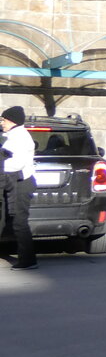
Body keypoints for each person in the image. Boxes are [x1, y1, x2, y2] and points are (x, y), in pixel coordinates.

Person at [1, 105, 38, 270]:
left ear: (12, 121)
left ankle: (28, 260)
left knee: (19, 222)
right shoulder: (13, 135)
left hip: (20, 183)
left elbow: (17, 164)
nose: (2, 123)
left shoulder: (20, 138)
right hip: (14, 182)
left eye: (4, 120)